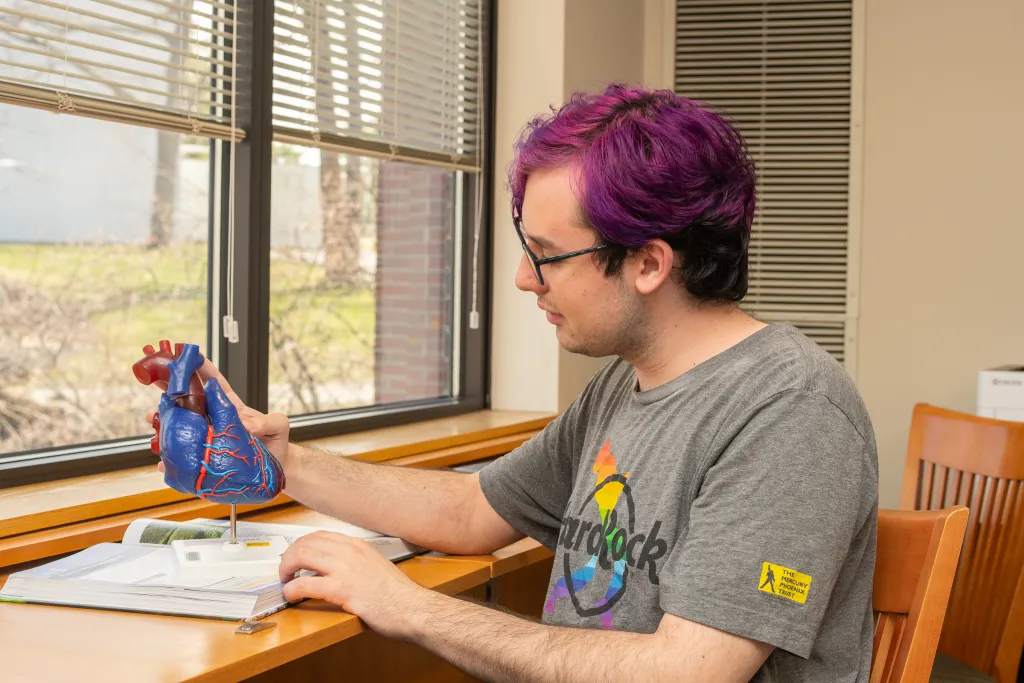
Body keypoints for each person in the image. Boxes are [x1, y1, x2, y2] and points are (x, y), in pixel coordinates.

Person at [154, 83, 878, 682]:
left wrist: (409, 606)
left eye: (549, 254)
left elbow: (686, 670)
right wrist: (281, 461)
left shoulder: (791, 410)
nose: (524, 278)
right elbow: (473, 509)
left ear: (650, 263)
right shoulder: (624, 386)